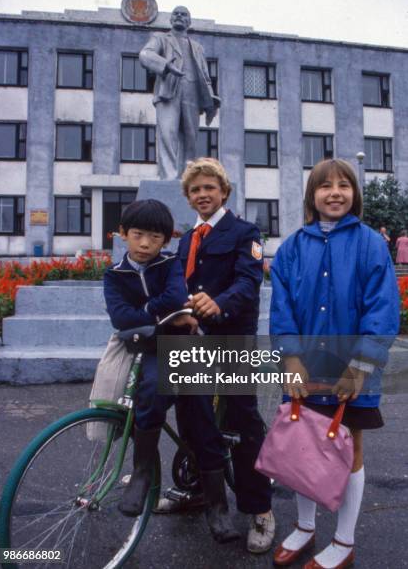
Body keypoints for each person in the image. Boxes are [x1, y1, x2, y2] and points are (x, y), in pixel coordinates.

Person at [270, 159, 399, 568]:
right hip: (304, 367)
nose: (335, 192)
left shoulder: (370, 243)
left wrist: (360, 366)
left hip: (351, 368)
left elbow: (382, 308)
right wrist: (290, 357)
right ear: (312, 196)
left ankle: (344, 541)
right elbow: (282, 307)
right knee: (301, 447)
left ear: (354, 194)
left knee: (350, 449)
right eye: (325, 186)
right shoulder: (292, 247)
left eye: (344, 185)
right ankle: (306, 528)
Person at [155, 158, 275, 553]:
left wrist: (216, 304)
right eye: (195, 190)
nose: (203, 194)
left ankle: (259, 508)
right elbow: (179, 283)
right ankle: (199, 491)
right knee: (192, 416)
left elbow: (248, 280)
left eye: (210, 187)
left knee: (243, 420)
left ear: (224, 191)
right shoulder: (189, 238)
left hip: (231, 336)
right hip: (194, 339)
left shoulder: (245, 231)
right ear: (188, 198)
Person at [104, 199, 237, 541]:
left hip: (184, 346)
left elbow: (176, 297)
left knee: (201, 421)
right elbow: (120, 317)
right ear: (123, 235)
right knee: (149, 391)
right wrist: (161, 313)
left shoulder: (170, 263)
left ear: (166, 239)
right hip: (148, 349)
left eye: (154, 236)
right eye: (138, 235)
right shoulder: (114, 274)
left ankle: (217, 507)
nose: (146, 243)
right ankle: (142, 473)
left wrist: (147, 312)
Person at [139, 6, 220, 180]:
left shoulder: (197, 47)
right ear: (170, 19)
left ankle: (187, 178)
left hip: (192, 93)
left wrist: (210, 100)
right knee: (168, 134)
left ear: (189, 22)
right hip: (169, 91)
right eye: (176, 13)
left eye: (183, 14)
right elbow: (145, 55)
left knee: (190, 137)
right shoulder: (161, 38)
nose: (179, 16)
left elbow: (205, 76)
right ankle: (169, 177)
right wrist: (165, 66)